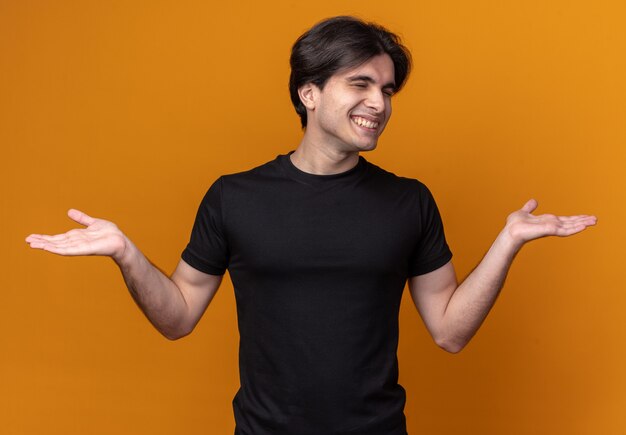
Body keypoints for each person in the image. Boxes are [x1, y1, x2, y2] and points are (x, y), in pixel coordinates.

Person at [26, 16, 596, 435]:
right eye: (361, 84)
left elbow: (450, 331)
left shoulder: (408, 202)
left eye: (388, 89)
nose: (381, 102)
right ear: (310, 93)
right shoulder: (234, 197)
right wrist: (126, 253)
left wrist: (508, 242)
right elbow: (177, 317)